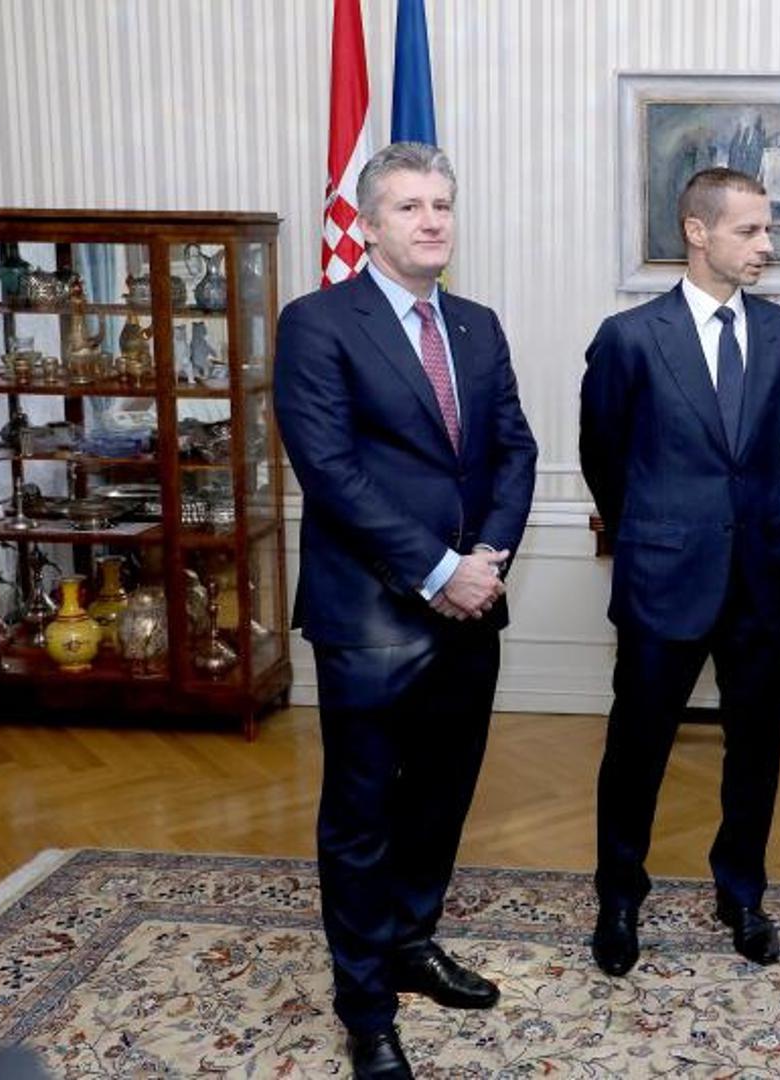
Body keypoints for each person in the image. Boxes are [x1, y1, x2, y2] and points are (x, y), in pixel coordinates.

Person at [274, 141, 537, 1078]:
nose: (432, 221)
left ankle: (410, 941)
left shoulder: (476, 324)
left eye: (442, 205)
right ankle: (365, 1007)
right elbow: (329, 472)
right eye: (410, 207)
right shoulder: (317, 323)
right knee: (362, 815)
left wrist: (487, 558)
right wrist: (437, 569)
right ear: (369, 224)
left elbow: (515, 448)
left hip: (472, 604)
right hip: (371, 613)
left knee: (440, 795)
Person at [579, 167, 780, 976]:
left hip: (759, 576)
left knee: (756, 749)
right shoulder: (629, 338)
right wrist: (654, 532)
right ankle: (618, 897)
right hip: (662, 577)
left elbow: (764, 448)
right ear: (697, 232)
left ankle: (741, 894)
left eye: (767, 229)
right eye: (749, 230)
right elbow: (603, 457)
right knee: (636, 748)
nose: (765, 245)